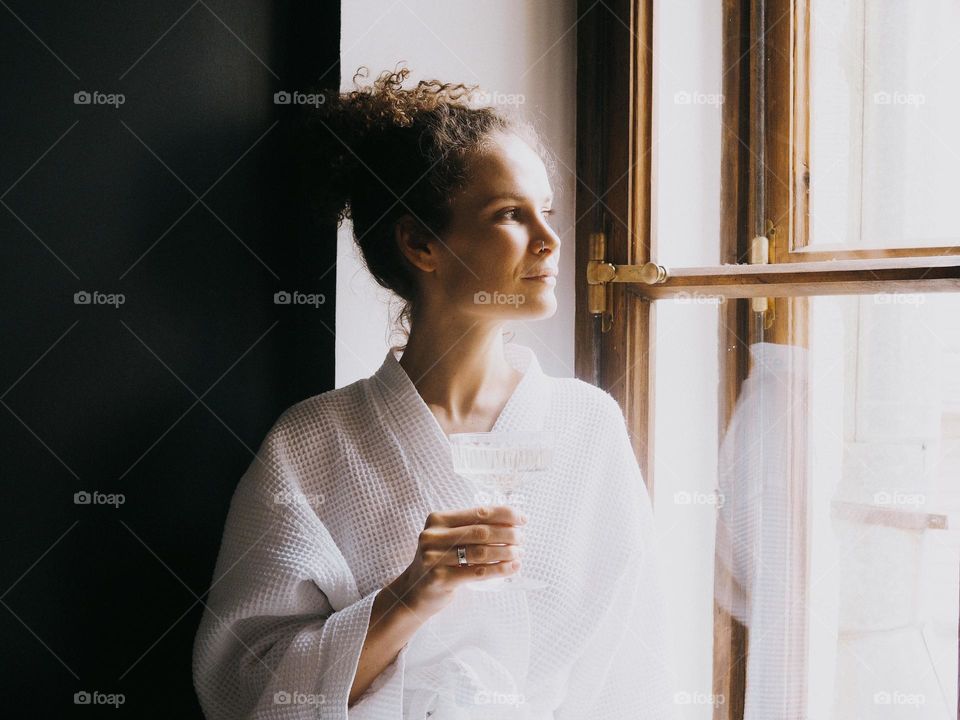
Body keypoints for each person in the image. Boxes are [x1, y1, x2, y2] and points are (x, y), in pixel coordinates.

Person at [192, 65, 677, 719]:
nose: (550, 239)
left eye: (548, 212)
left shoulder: (586, 426)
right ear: (421, 242)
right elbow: (248, 693)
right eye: (510, 214)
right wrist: (413, 593)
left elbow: (633, 670)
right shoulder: (312, 443)